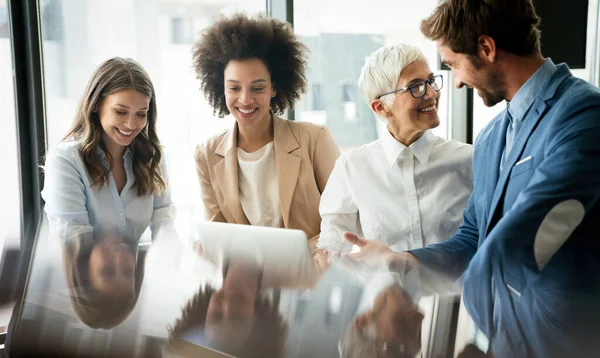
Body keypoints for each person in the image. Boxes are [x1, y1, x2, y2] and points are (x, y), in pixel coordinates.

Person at [333, 1, 600, 357]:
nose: (454, 83)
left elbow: (532, 231)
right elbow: (473, 237)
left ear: (487, 49)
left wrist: (471, 330)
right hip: (509, 341)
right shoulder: (491, 139)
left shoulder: (583, 113)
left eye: (453, 65)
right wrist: (404, 261)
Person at [41, 57, 176, 327]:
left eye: (141, 113)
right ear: (96, 105)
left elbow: (164, 223)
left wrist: (178, 267)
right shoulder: (66, 160)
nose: (131, 124)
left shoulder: (152, 157)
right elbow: (75, 237)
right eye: (120, 111)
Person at [314, 44, 473, 271]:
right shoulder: (353, 168)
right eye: (415, 86)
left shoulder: (468, 160)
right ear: (380, 108)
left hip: (453, 302)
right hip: (385, 303)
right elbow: (332, 246)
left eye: (430, 81)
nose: (431, 93)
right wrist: (324, 258)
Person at [192, 13, 340, 252]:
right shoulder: (206, 155)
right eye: (234, 88)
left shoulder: (314, 140)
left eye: (257, 87)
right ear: (221, 89)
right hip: (248, 283)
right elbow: (218, 233)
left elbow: (343, 218)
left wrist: (309, 253)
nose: (245, 99)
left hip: (310, 278)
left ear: (274, 88)